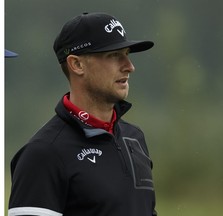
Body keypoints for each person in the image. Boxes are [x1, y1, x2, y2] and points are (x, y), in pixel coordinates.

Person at [8, 12, 157, 216]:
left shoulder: (135, 138)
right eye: (114, 55)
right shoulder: (42, 154)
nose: (129, 66)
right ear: (77, 65)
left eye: (127, 54)